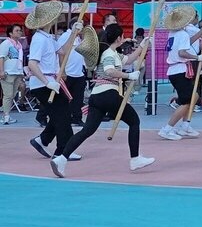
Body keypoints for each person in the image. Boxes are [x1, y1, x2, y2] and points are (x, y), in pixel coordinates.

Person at [49, 25, 154, 178]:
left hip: (96, 96)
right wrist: (128, 76)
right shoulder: (109, 54)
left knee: (87, 130)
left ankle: (61, 159)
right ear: (119, 38)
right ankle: (135, 158)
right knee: (134, 121)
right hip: (108, 94)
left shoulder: (111, 53)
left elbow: (129, 60)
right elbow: (110, 71)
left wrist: (142, 46)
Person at [25, 2, 82, 162]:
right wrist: (47, 82)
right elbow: (32, 63)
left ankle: (42, 140)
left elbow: (63, 50)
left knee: (60, 114)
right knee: (63, 115)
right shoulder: (39, 39)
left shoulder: (48, 37)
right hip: (43, 83)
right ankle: (63, 151)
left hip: (50, 81)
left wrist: (74, 33)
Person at [159, 6, 202, 140]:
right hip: (179, 69)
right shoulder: (182, 34)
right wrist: (197, 57)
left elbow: (187, 43)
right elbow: (182, 52)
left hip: (176, 70)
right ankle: (167, 128)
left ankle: (185, 125)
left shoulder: (173, 34)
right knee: (186, 101)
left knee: (194, 96)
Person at [55, 24, 87, 126]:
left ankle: (77, 117)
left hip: (78, 73)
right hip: (67, 72)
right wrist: (62, 71)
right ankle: (42, 116)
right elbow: (61, 53)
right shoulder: (66, 36)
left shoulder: (78, 38)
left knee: (78, 98)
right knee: (62, 98)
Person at [2, 24, 25, 125]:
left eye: (20, 30)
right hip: (8, 72)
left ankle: (7, 115)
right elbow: (1, 57)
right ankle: (6, 116)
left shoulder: (19, 45)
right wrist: (1, 71)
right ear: (10, 33)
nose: (19, 32)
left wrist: (21, 72)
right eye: (17, 30)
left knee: (12, 95)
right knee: (8, 95)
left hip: (17, 72)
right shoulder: (6, 43)